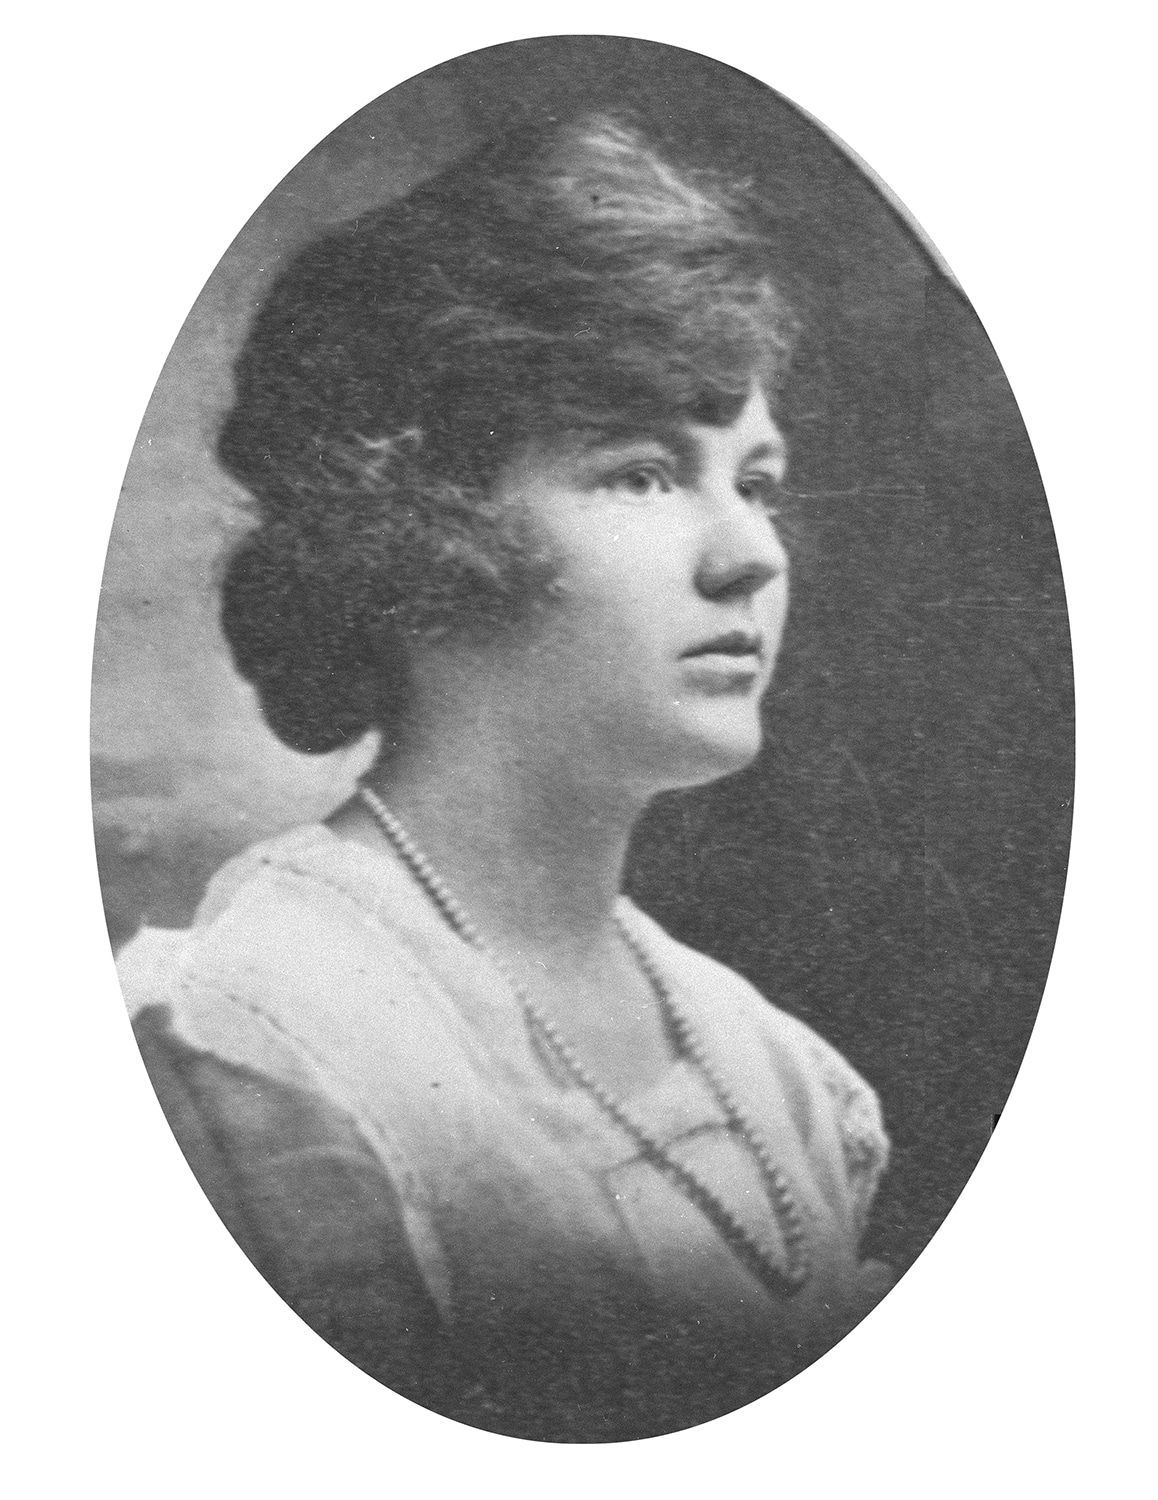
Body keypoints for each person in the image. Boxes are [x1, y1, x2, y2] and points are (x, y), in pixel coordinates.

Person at [117, 112, 893, 1441]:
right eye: (644, 473)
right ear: (422, 535)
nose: (747, 556)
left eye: (755, 482)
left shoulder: (779, 1075)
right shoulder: (266, 1037)